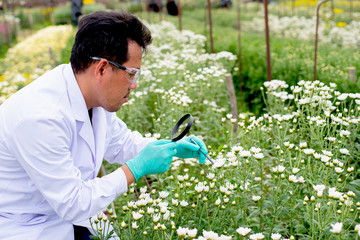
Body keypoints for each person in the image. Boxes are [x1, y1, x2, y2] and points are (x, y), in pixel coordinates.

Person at [0, 10, 208, 240]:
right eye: (132, 74)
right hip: (28, 227)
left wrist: (170, 147)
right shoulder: (40, 117)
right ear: (101, 68)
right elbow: (73, 203)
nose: (134, 85)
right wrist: (134, 170)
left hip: (69, 217)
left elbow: (121, 143)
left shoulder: (92, 97)